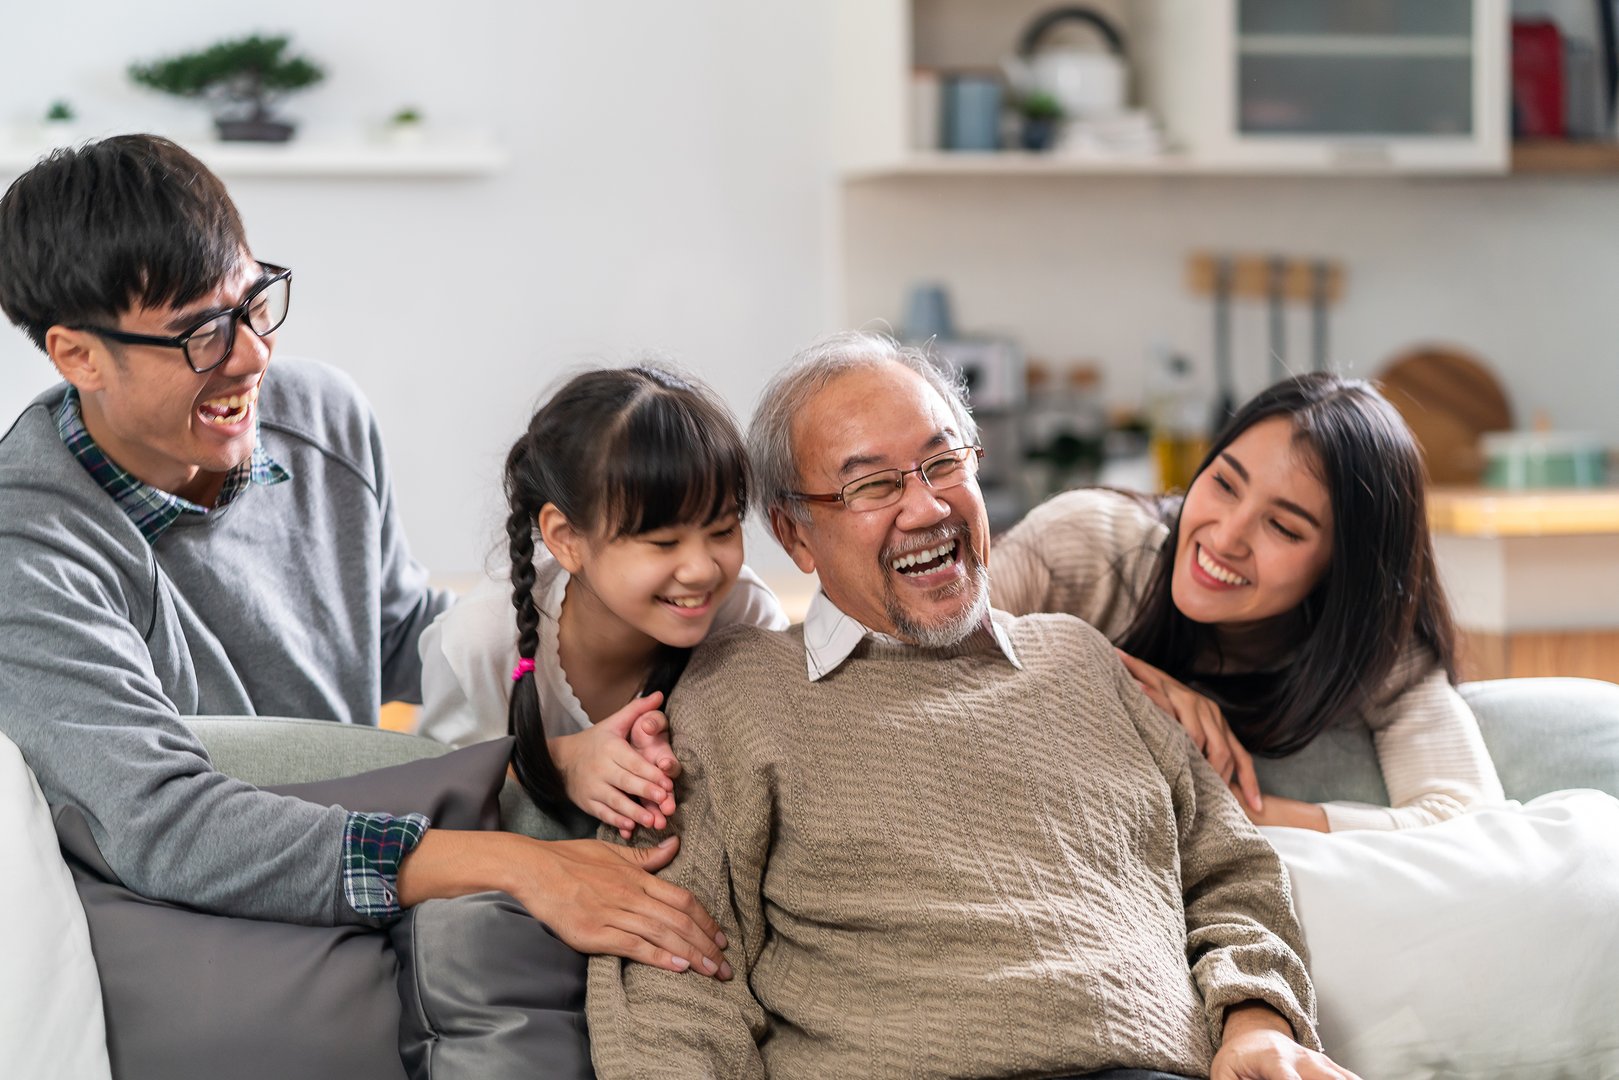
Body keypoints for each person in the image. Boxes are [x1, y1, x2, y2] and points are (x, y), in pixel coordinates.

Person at [0, 136, 729, 1072]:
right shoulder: (29, 543)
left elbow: (406, 640)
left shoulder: (321, 419)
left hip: (375, 864)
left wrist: (568, 731)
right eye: (198, 333)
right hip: (186, 923)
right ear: (77, 355)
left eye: (253, 302)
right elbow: (163, 826)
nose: (251, 356)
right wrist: (517, 860)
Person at [588, 331, 1360, 1080]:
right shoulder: (734, 692)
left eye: (941, 462)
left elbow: (1229, 876)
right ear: (796, 536)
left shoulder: (1081, 660)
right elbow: (670, 988)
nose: (925, 508)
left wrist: (1255, 1023)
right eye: (872, 485)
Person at [992, 374, 1504, 832]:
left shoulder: (1378, 650)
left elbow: (1469, 820)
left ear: (1343, 570)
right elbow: (923, 656)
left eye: (1282, 526)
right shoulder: (1086, 541)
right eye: (1224, 483)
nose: (1226, 536)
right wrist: (1127, 685)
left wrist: (1249, 810)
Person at [416, 365, 788, 839]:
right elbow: (437, 803)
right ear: (567, 538)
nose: (702, 569)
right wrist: (558, 763)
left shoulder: (744, 615)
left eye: (722, 530)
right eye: (663, 542)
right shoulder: (477, 643)